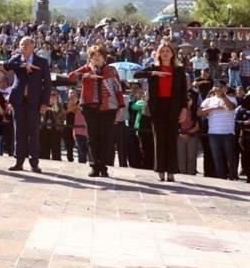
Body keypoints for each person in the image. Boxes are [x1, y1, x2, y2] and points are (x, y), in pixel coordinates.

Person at [134, 42, 187, 182]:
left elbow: (183, 92)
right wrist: (153, 73)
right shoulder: (153, 68)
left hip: (173, 107)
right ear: (159, 53)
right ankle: (160, 170)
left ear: (172, 53)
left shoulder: (179, 70)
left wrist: (184, 110)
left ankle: (171, 171)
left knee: (171, 139)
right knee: (159, 139)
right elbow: (136, 74)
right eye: (162, 51)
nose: (165, 53)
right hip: (157, 107)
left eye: (167, 51)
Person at [70, 45, 125, 178]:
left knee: (106, 138)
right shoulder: (87, 69)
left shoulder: (111, 70)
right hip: (89, 107)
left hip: (109, 108)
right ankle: (94, 165)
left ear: (104, 57)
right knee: (92, 137)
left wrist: (121, 106)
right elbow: (71, 76)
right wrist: (84, 75)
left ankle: (104, 166)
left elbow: (118, 89)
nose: (96, 59)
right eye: (93, 56)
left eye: (99, 56)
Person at [5, 36, 52, 173]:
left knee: (33, 133)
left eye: (26, 44)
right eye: (21, 44)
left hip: (34, 102)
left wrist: (45, 102)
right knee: (18, 131)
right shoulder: (16, 59)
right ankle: (19, 161)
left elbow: (47, 84)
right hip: (18, 101)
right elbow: (6, 65)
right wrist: (23, 65)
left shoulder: (42, 62)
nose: (23, 47)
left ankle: (34, 162)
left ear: (33, 46)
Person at [200, 86, 238, 180]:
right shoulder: (209, 100)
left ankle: (232, 175)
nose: (219, 90)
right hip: (213, 132)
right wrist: (213, 108)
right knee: (217, 156)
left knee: (230, 156)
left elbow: (231, 107)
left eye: (221, 88)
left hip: (228, 132)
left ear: (225, 89)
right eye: (217, 88)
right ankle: (221, 176)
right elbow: (199, 112)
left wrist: (223, 97)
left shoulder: (232, 98)